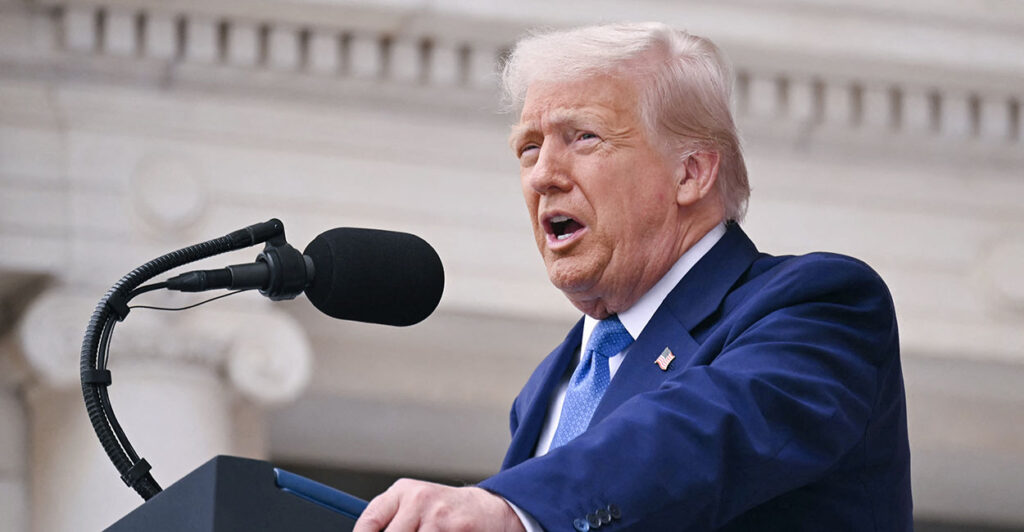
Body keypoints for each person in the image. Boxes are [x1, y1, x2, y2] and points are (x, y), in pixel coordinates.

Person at [353, 22, 912, 532]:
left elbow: (696, 435)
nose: (543, 174)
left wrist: (515, 508)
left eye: (584, 137)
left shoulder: (819, 308)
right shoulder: (552, 386)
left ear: (690, 172)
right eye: (529, 147)